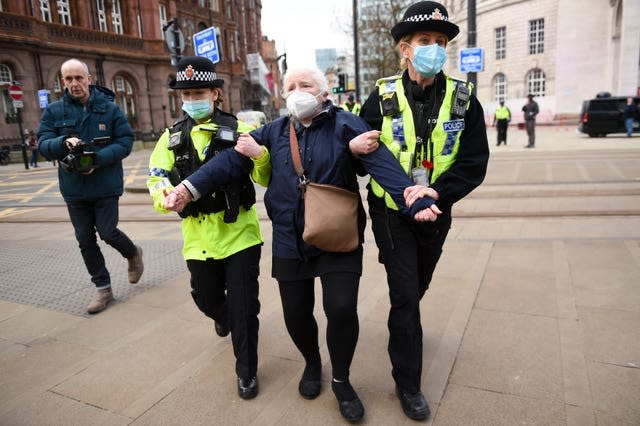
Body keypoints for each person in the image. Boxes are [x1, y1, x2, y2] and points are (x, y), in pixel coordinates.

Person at [163, 67, 439, 422]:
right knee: (296, 313)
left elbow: (379, 160)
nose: (297, 91)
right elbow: (228, 162)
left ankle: (341, 381)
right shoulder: (274, 131)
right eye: (291, 86)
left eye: (305, 85)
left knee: (340, 310)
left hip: (337, 236)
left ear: (323, 93)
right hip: (290, 240)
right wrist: (188, 189)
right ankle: (311, 363)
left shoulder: (346, 125)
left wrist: (412, 200)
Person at [357, 1, 489, 420]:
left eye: (440, 41)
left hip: (437, 210)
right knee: (405, 296)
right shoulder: (380, 97)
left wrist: (436, 196)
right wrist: (405, 192)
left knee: (419, 284)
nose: (434, 48)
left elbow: (473, 162)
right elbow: (365, 154)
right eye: (424, 41)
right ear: (405, 49)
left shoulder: (465, 100)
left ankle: (406, 326)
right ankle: (408, 383)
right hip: (392, 212)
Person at [146, 56, 263, 400]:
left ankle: (247, 372)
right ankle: (220, 315)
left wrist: (260, 155)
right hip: (198, 239)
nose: (192, 99)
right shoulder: (171, 137)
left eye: (199, 92)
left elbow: (264, 175)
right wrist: (163, 197)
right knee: (205, 298)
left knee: (244, 308)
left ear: (215, 93)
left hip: (240, 233)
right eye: (186, 94)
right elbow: (157, 177)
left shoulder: (238, 130)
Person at [37, 58, 144, 314]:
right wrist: (62, 142)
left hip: (105, 184)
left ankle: (132, 253)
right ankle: (103, 289)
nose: (75, 84)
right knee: (85, 239)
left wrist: (100, 158)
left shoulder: (109, 109)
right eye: (69, 79)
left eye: (79, 78)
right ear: (63, 82)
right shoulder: (53, 111)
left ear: (89, 79)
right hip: (74, 188)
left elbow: (126, 141)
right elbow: (42, 143)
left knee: (107, 232)